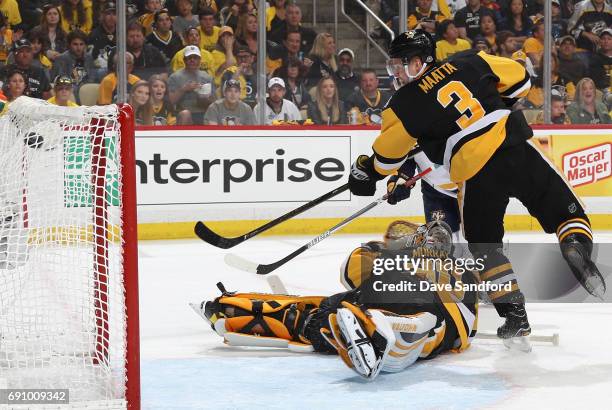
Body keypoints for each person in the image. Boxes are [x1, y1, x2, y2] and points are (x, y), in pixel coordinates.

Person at [348, 29, 606, 346]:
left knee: (485, 247)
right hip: (514, 145)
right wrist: (494, 103)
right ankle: (574, 245)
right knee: (566, 211)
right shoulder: (470, 60)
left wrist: (365, 170)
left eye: (404, 63)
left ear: (419, 61)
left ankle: (515, 316)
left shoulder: (404, 103)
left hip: (475, 172)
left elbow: (386, 158)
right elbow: (522, 80)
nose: (400, 70)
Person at [198, 220, 478, 380]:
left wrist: (374, 249)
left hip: (413, 307)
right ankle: (379, 330)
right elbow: (469, 329)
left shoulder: (402, 259)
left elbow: (350, 272)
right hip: (441, 331)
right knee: (424, 329)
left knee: (327, 312)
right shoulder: (466, 275)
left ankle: (364, 325)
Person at [168, 45, 215, 125]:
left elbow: (214, 102)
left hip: (203, 113)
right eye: (189, 58)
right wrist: (184, 89)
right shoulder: (175, 77)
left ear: (200, 60)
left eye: (195, 58)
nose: (192, 60)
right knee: (185, 114)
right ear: (184, 60)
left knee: (213, 118)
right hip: (182, 113)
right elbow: (169, 102)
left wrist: (203, 97)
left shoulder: (207, 77)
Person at [88, 1, 116, 81]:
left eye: (114, 14)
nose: (111, 17)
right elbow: (90, 59)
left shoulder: (122, 34)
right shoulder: (94, 35)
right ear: (102, 16)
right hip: (99, 71)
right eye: (108, 14)